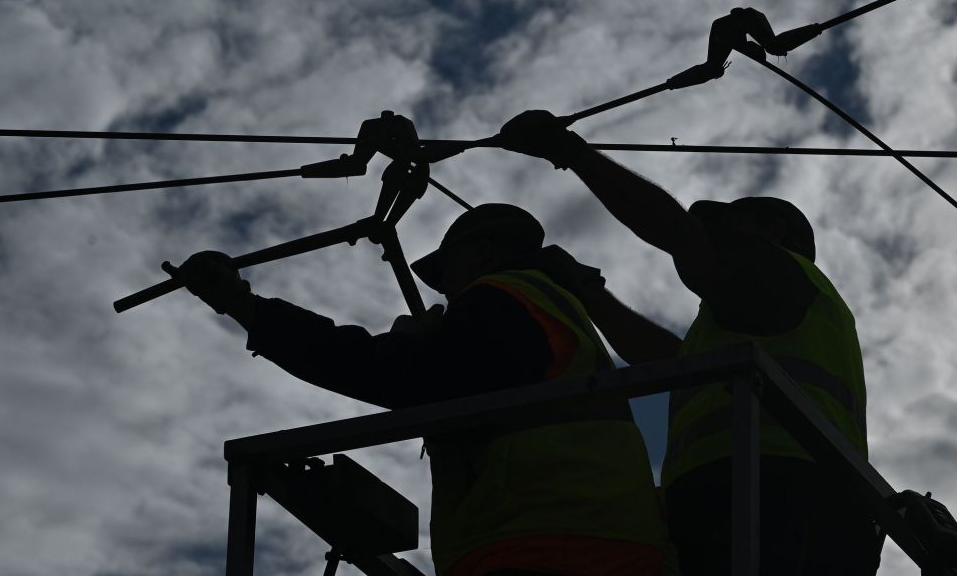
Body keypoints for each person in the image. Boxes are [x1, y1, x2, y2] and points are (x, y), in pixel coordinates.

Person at [165, 203, 665, 576]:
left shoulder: (502, 298)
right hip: (605, 541)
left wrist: (244, 306)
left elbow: (399, 376)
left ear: (483, 253)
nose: (444, 289)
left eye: (447, 271)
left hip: (542, 543)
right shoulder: (555, 314)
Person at [499, 111, 881, 575]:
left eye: (728, 225)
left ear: (771, 231)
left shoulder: (779, 269)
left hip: (777, 488)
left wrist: (571, 152)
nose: (714, 237)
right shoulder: (760, 316)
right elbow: (674, 361)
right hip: (765, 490)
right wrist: (588, 295)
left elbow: (680, 236)